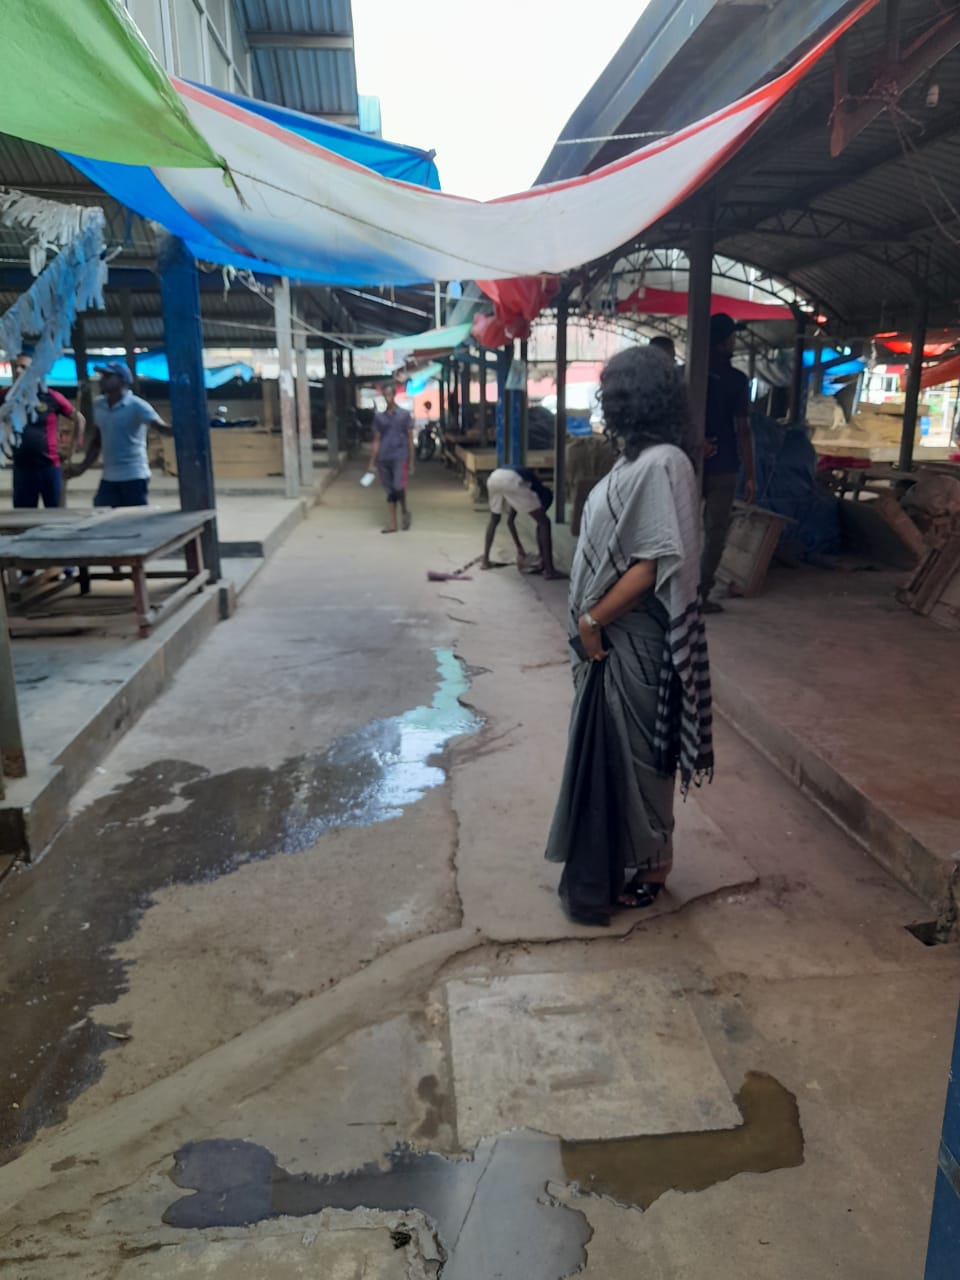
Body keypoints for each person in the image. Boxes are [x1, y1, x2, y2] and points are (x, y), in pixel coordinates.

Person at [545, 346, 713, 927]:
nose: (605, 400)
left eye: (613, 390)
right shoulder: (635, 461)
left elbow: (651, 563)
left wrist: (593, 620)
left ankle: (654, 865)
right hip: (609, 641)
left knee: (643, 756)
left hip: (633, 638)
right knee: (612, 751)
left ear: (632, 398)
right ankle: (621, 855)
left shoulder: (666, 463)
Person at [701, 313, 756, 611]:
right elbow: (743, 429)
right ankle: (700, 594)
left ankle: (673, 592)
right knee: (715, 532)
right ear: (723, 343)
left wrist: (694, 443)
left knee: (679, 528)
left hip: (689, 462)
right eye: (731, 338)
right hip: (723, 466)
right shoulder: (736, 381)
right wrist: (750, 474)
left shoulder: (686, 374)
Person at [67, 362, 170, 507]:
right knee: (102, 516)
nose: (102, 379)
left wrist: (179, 429)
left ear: (122, 380)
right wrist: (82, 467)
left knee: (134, 520)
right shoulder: (99, 405)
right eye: (102, 375)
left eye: (108, 376)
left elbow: (161, 428)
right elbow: (97, 441)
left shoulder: (137, 406)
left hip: (134, 475)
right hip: (109, 476)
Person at [1, 352, 84, 509]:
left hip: (49, 467)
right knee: (22, 517)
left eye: (23, 367)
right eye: (15, 367)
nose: (18, 371)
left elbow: (79, 419)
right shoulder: (6, 396)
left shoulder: (50, 396)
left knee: (55, 515)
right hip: (21, 468)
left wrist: (75, 445)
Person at [482, 467, 564, 579]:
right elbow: (541, 522)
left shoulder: (522, 489)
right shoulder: (538, 490)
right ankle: (549, 570)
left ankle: (485, 561)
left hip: (494, 477)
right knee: (545, 522)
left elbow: (510, 521)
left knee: (494, 519)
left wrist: (519, 548)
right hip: (511, 480)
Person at [368, 381, 415, 532]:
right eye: (385, 394)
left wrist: (411, 461)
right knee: (389, 491)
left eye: (390, 394)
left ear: (394, 395)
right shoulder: (379, 418)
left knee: (398, 486)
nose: (388, 397)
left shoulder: (404, 415)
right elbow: (376, 441)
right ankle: (393, 523)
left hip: (400, 456)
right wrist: (372, 462)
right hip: (383, 458)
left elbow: (410, 439)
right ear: (383, 396)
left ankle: (405, 510)